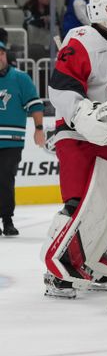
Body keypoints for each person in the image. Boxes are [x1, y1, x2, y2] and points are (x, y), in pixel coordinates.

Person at [42, 0, 107, 298]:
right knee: (78, 202)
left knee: (105, 207)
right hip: (79, 135)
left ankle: (88, 255)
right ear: (96, 10)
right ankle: (57, 268)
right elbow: (61, 86)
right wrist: (83, 113)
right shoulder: (80, 38)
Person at [0, 40, 45, 236]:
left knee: (5, 178)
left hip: (11, 140)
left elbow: (35, 105)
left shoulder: (20, 78)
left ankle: (7, 219)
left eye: (1, 53)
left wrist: (39, 128)